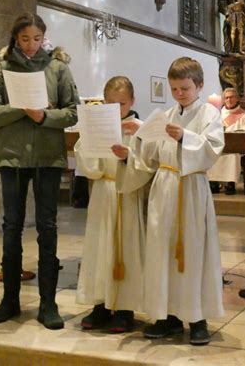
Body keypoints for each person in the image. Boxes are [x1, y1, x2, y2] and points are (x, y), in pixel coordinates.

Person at [0, 13, 79, 329]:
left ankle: (47, 304)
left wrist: (43, 117)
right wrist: (21, 109)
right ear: (15, 38)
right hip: (11, 158)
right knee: (11, 226)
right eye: (25, 39)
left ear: (44, 37)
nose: (31, 45)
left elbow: (72, 113)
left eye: (37, 38)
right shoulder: (2, 69)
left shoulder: (57, 68)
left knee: (47, 226)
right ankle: (10, 299)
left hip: (47, 158)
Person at [128, 57, 225, 345]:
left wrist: (186, 137)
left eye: (184, 88)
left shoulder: (209, 113)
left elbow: (213, 147)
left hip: (191, 186)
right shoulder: (166, 114)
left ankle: (196, 318)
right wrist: (142, 138)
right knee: (161, 251)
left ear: (199, 85)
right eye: (174, 89)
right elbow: (150, 157)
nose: (179, 94)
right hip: (164, 186)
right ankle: (166, 316)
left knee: (193, 253)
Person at [75, 77, 151, 333]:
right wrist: (89, 143)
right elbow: (85, 159)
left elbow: (148, 163)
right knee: (100, 247)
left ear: (132, 102)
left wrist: (129, 157)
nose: (116, 109)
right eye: (110, 103)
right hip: (103, 191)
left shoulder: (140, 129)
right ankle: (101, 304)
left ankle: (126, 307)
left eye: (122, 104)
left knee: (126, 248)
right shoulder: (98, 124)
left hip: (126, 193)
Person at [208, 88, 245, 194]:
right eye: (226, 97)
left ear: (237, 99)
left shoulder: (244, 115)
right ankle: (213, 183)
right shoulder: (218, 114)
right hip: (221, 145)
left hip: (236, 147)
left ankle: (230, 184)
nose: (229, 99)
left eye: (231, 97)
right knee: (211, 153)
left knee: (232, 156)